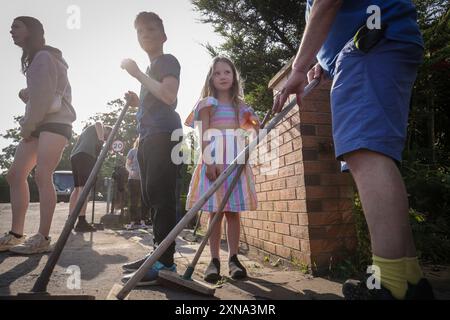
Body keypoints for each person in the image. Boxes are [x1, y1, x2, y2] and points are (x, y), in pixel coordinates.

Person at [272, 0, 433, 300]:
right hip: (379, 42)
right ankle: (408, 279)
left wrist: (299, 67)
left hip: (370, 46)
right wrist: (324, 61)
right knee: (376, 155)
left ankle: (390, 285)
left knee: (364, 152)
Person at [0, 17, 76, 254]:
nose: (11, 31)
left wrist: (26, 126)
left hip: (54, 123)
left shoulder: (43, 57)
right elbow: (44, 92)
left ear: (31, 31)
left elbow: (43, 99)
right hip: (42, 123)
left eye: (16, 26)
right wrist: (29, 94)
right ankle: (16, 233)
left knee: (43, 175)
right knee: (15, 175)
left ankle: (43, 237)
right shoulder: (40, 58)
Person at [120, 12, 182, 286]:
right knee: (150, 196)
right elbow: (156, 96)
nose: (145, 33)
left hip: (164, 135)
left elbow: (169, 96)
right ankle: (157, 252)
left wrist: (137, 75)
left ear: (163, 36)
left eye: (152, 29)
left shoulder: (167, 61)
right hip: (147, 137)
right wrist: (138, 100)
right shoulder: (151, 70)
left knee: (161, 195)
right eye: (140, 30)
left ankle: (165, 262)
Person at [185, 56, 260, 283]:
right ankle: (214, 259)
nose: (222, 77)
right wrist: (209, 161)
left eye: (227, 72)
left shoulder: (240, 106)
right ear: (211, 78)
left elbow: (253, 130)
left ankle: (234, 258)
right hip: (214, 161)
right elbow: (204, 134)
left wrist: (256, 122)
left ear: (234, 76)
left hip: (235, 162)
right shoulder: (208, 104)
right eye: (217, 73)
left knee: (232, 212)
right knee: (215, 212)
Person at [69, 122, 112, 232]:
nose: (107, 140)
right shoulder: (99, 127)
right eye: (109, 137)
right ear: (108, 131)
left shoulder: (89, 133)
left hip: (76, 156)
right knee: (85, 189)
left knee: (78, 188)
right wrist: (102, 140)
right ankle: (81, 221)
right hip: (85, 156)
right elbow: (98, 123)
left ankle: (70, 219)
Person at [126, 138, 150, 230]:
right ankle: (132, 222)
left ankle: (143, 221)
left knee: (144, 200)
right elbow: (127, 164)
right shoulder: (132, 151)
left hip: (144, 179)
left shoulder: (147, 151)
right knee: (133, 200)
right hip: (133, 179)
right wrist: (130, 171)